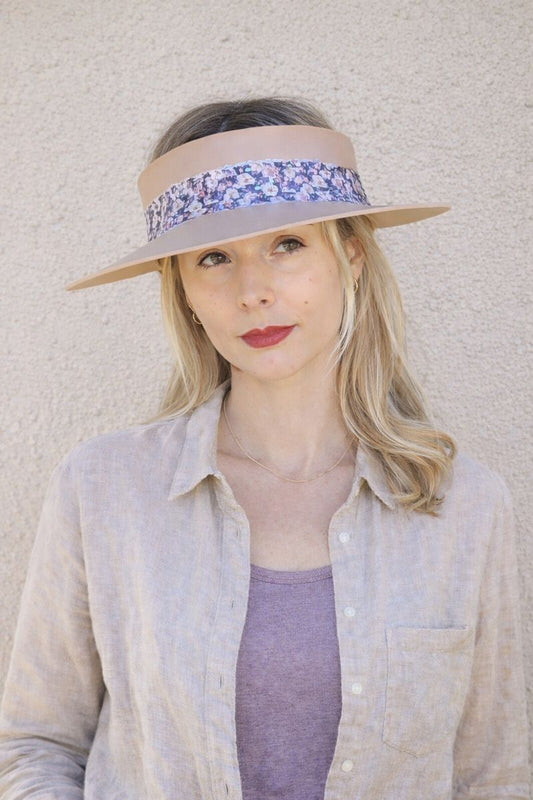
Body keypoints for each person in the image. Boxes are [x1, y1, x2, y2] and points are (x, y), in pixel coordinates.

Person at [0, 97, 529, 800]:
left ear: (351, 256)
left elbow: (492, 775)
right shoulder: (104, 489)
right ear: (183, 292)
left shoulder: (462, 505)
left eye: (286, 244)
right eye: (213, 258)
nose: (253, 291)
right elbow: (35, 745)